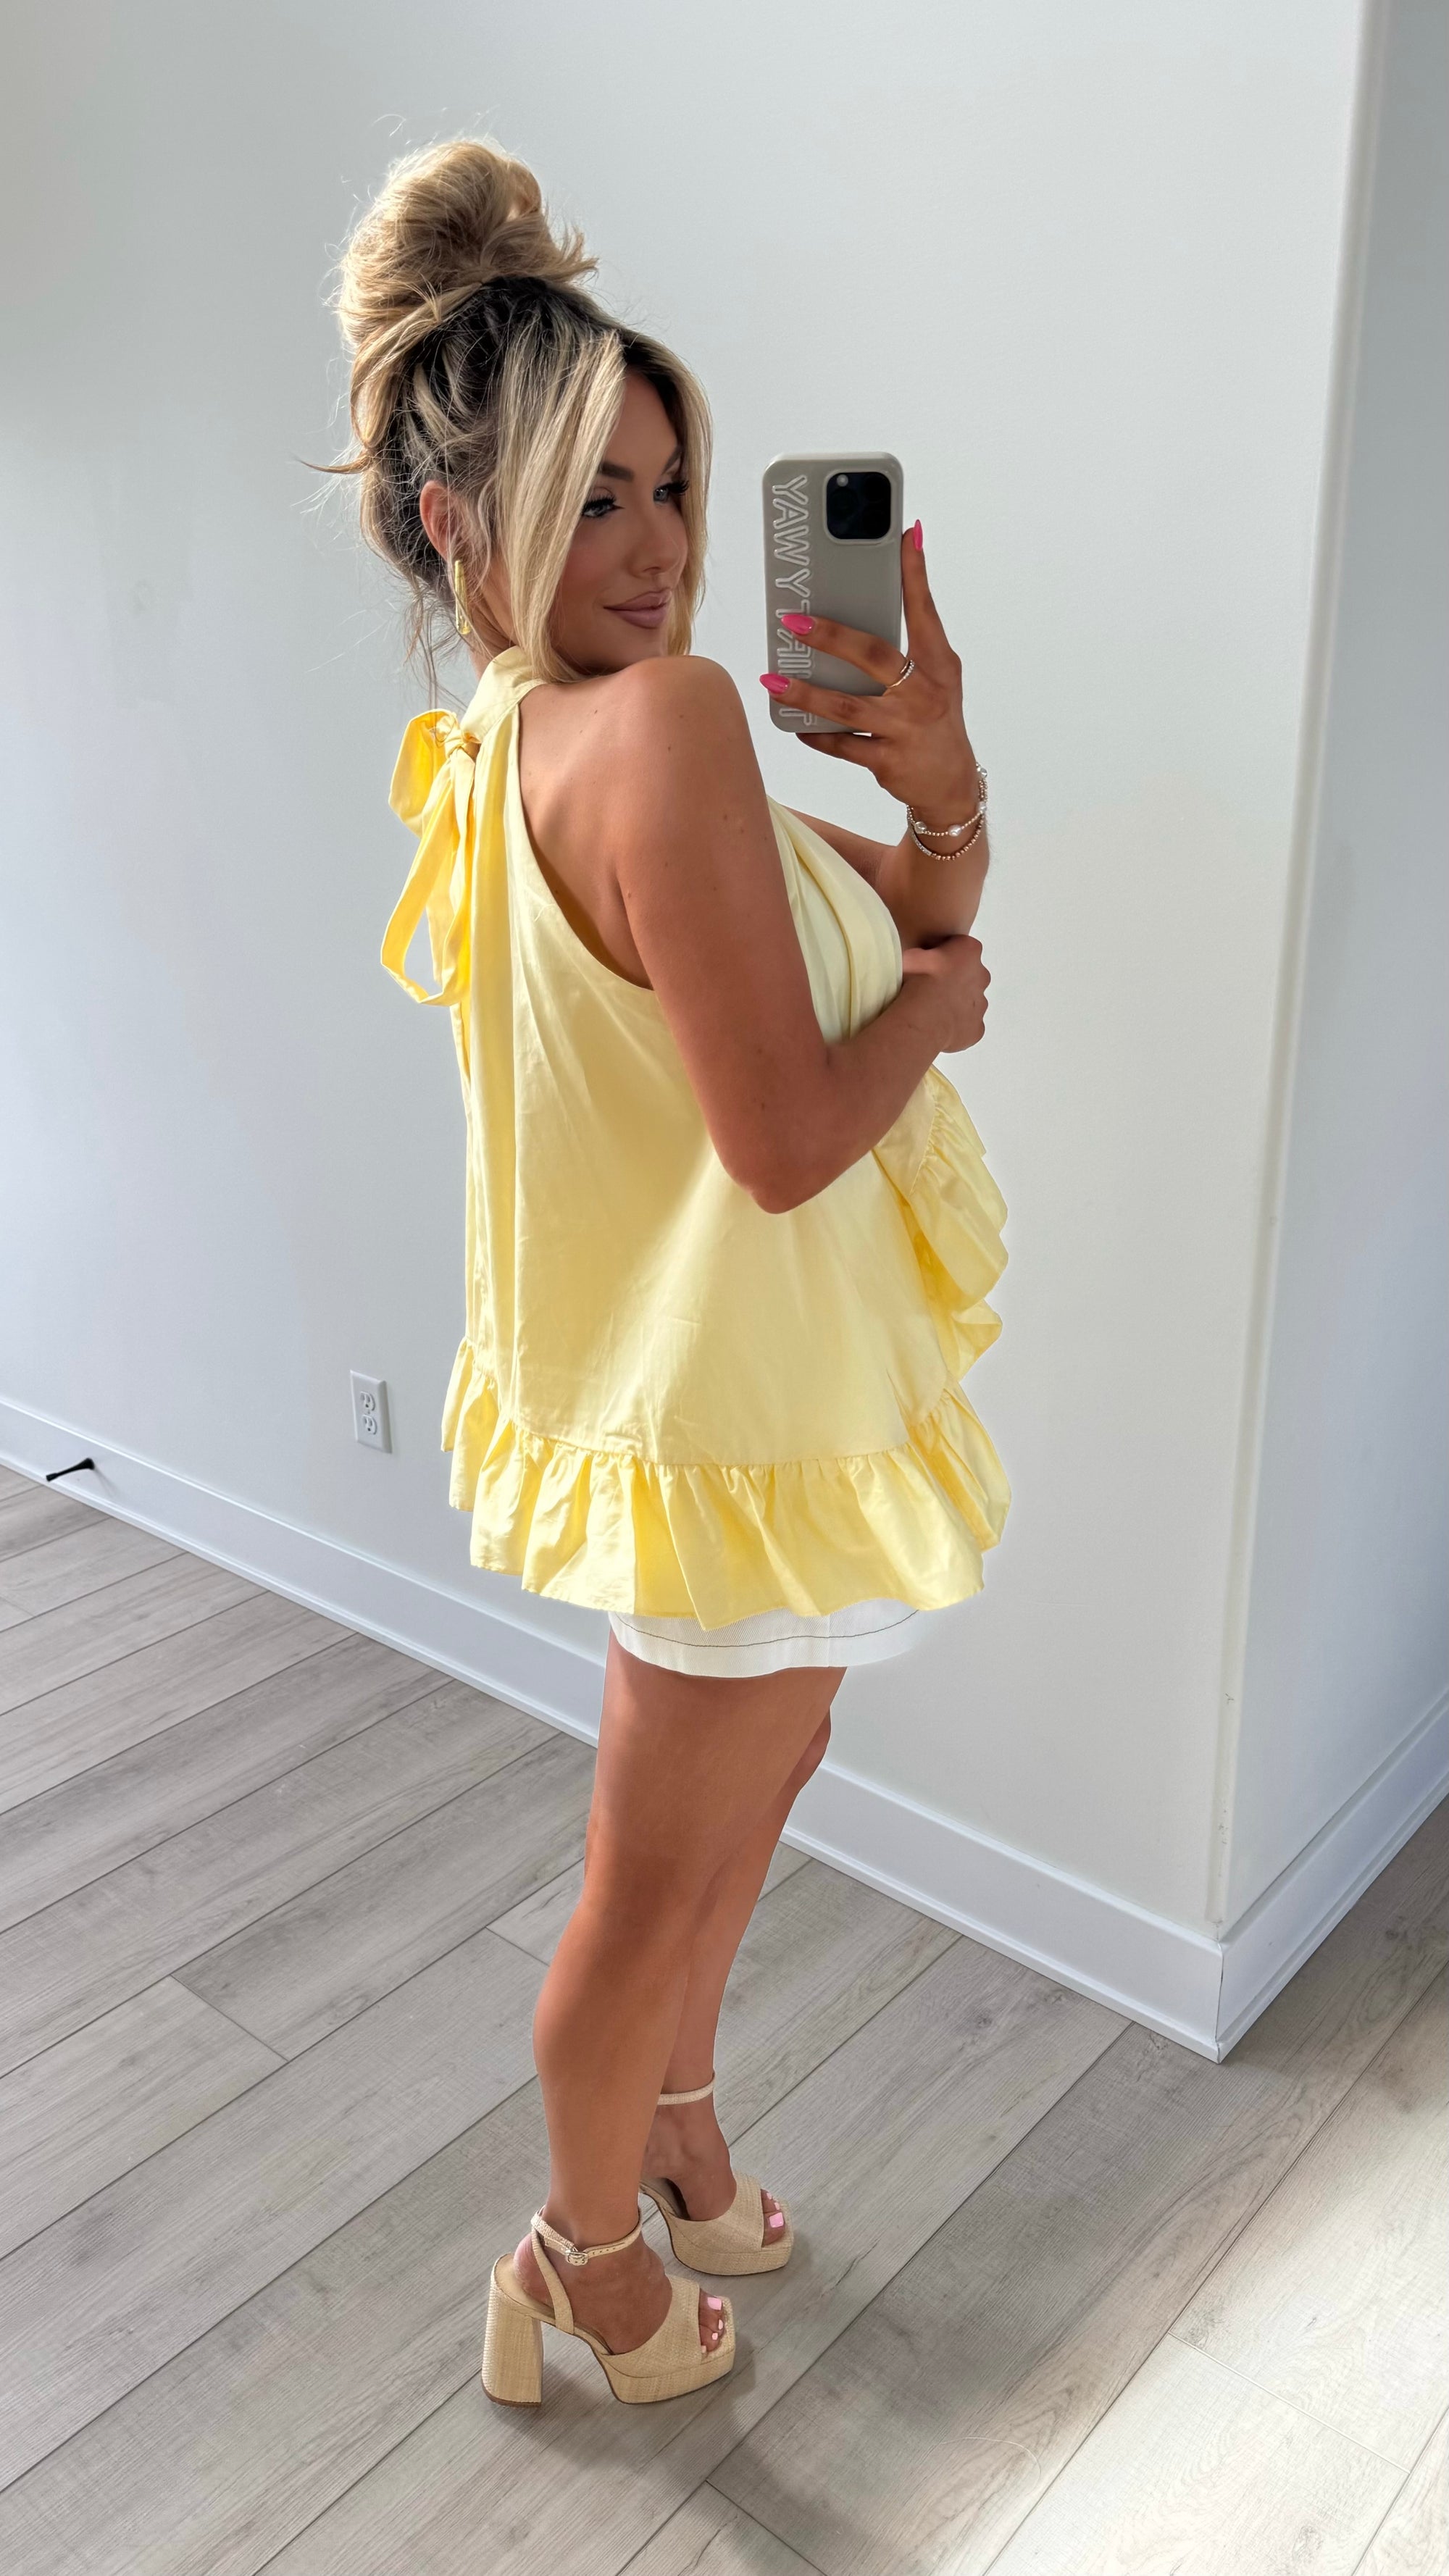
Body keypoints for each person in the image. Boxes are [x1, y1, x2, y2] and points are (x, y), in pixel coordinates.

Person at [329, 135, 1009, 2409]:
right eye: (596, 497)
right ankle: (579, 2260)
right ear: (462, 527)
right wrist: (931, 1019)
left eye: (675, 485)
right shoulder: (663, 726)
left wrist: (936, 774)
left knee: (755, 1787)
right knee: (648, 1882)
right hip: (734, 1417)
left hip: (743, 1412)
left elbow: (901, 903)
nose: (662, 545)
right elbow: (793, 1130)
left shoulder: (534, 740)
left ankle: (684, 2133)